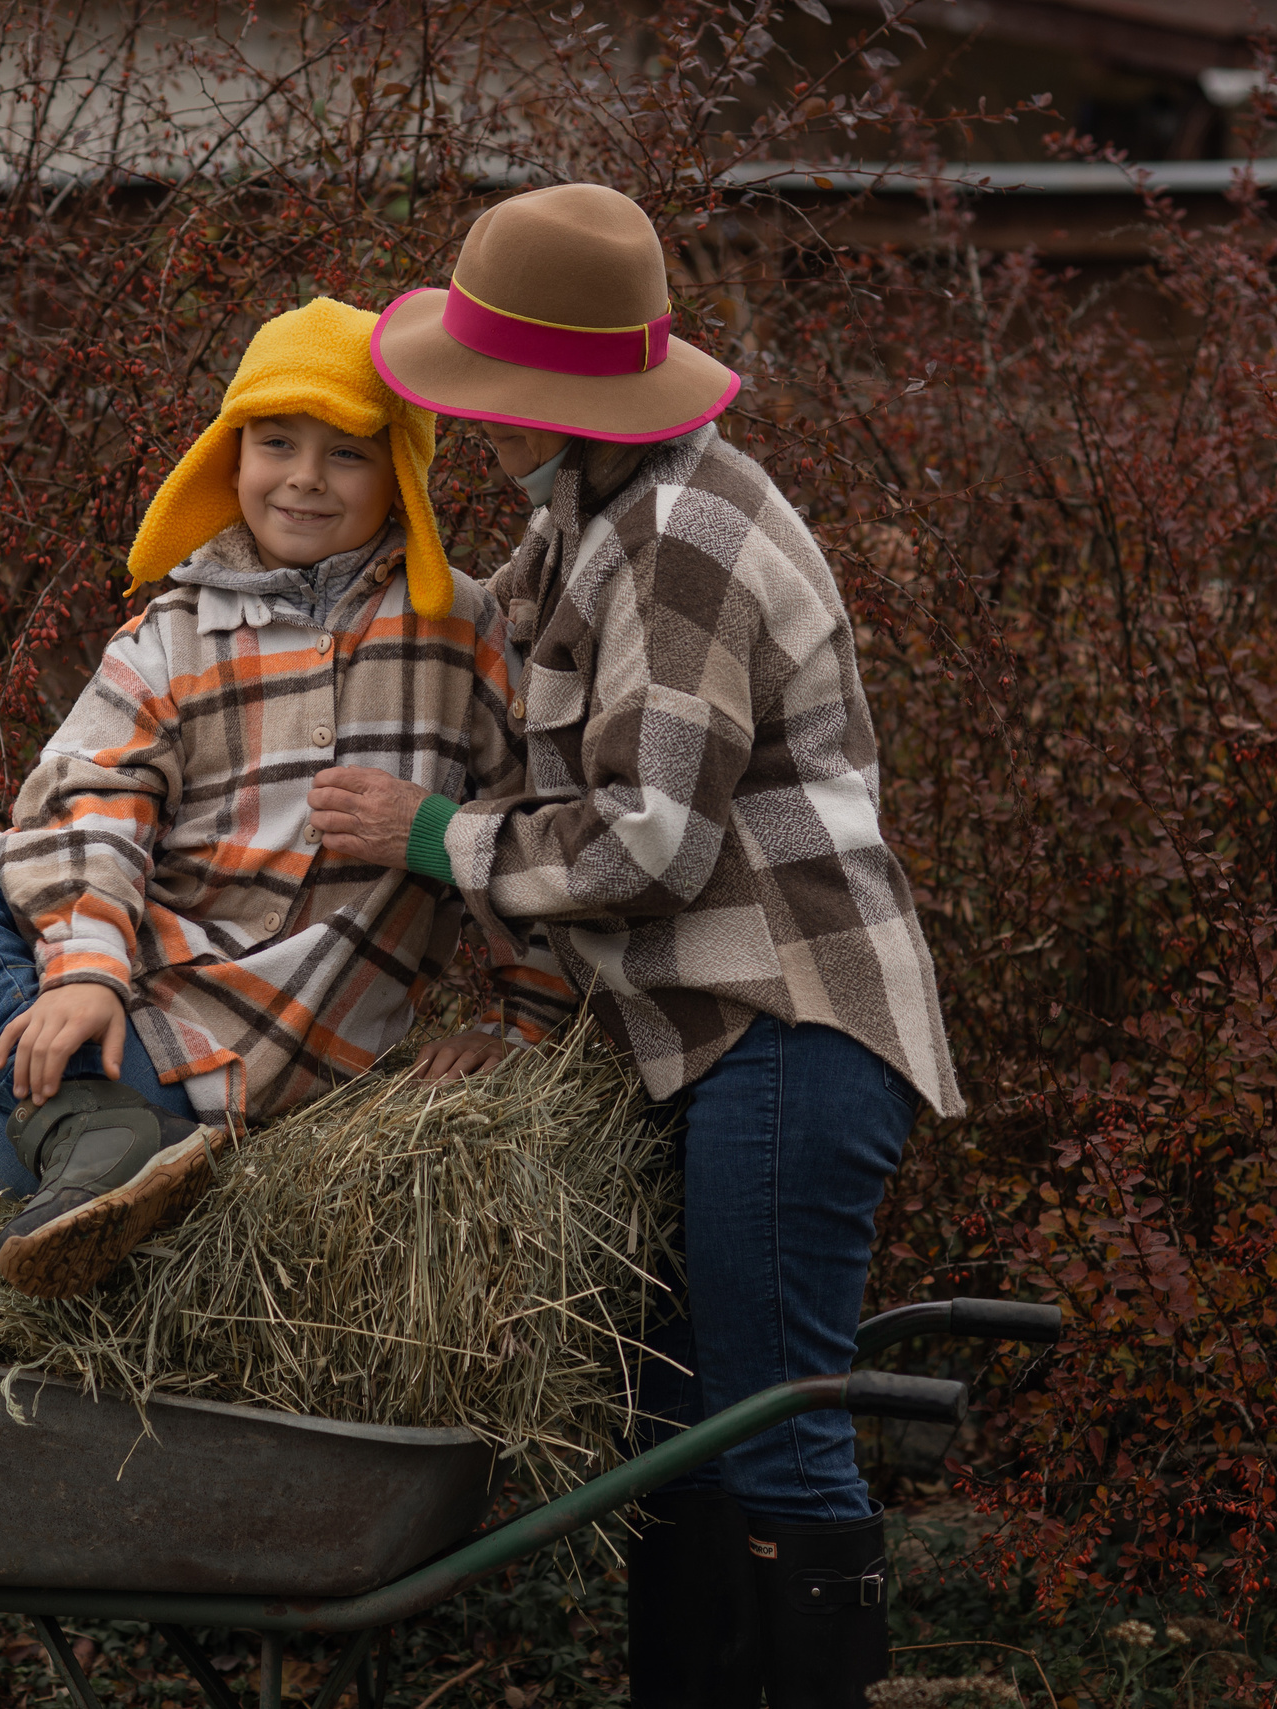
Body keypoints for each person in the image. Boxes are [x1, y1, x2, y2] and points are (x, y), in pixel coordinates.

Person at [309, 184, 962, 1708]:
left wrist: (428, 838)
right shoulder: (577, 529)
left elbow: (647, 845)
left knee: (766, 1413)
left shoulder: (681, 538)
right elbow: (538, 740)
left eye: (491, 394)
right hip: (703, 1041)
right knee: (673, 1415)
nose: (473, 425)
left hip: (790, 1019)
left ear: (563, 399)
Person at [0, 297, 573, 1301]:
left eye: (345, 453)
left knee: (1, 1160)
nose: (304, 479)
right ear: (231, 454)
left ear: (398, 468)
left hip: (258, 1038)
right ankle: (47, 1070)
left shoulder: (460, 631)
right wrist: (87, 970)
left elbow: (531, 823)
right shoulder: (172, 630)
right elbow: (91, 795)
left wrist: (522, 1030)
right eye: (275, 443)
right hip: (132, 967)